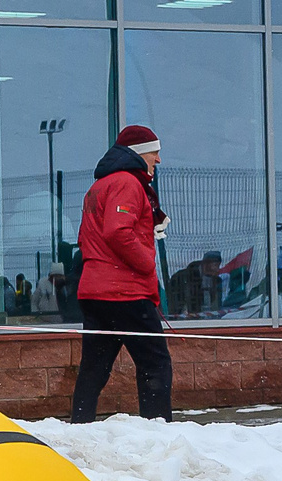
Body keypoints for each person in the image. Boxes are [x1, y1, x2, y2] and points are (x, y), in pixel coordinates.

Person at [73, 124, 173, 423]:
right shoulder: (127, 183)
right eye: (155, 152)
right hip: (125, 292)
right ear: (141, 153)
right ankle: (158, 430)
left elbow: (86, 238)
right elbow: (118, 231)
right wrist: (146, 264)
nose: (158, 159)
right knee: (155, 364)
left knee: (94, 367)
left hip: (95, 291)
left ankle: (80, 425)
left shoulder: (99, 186)